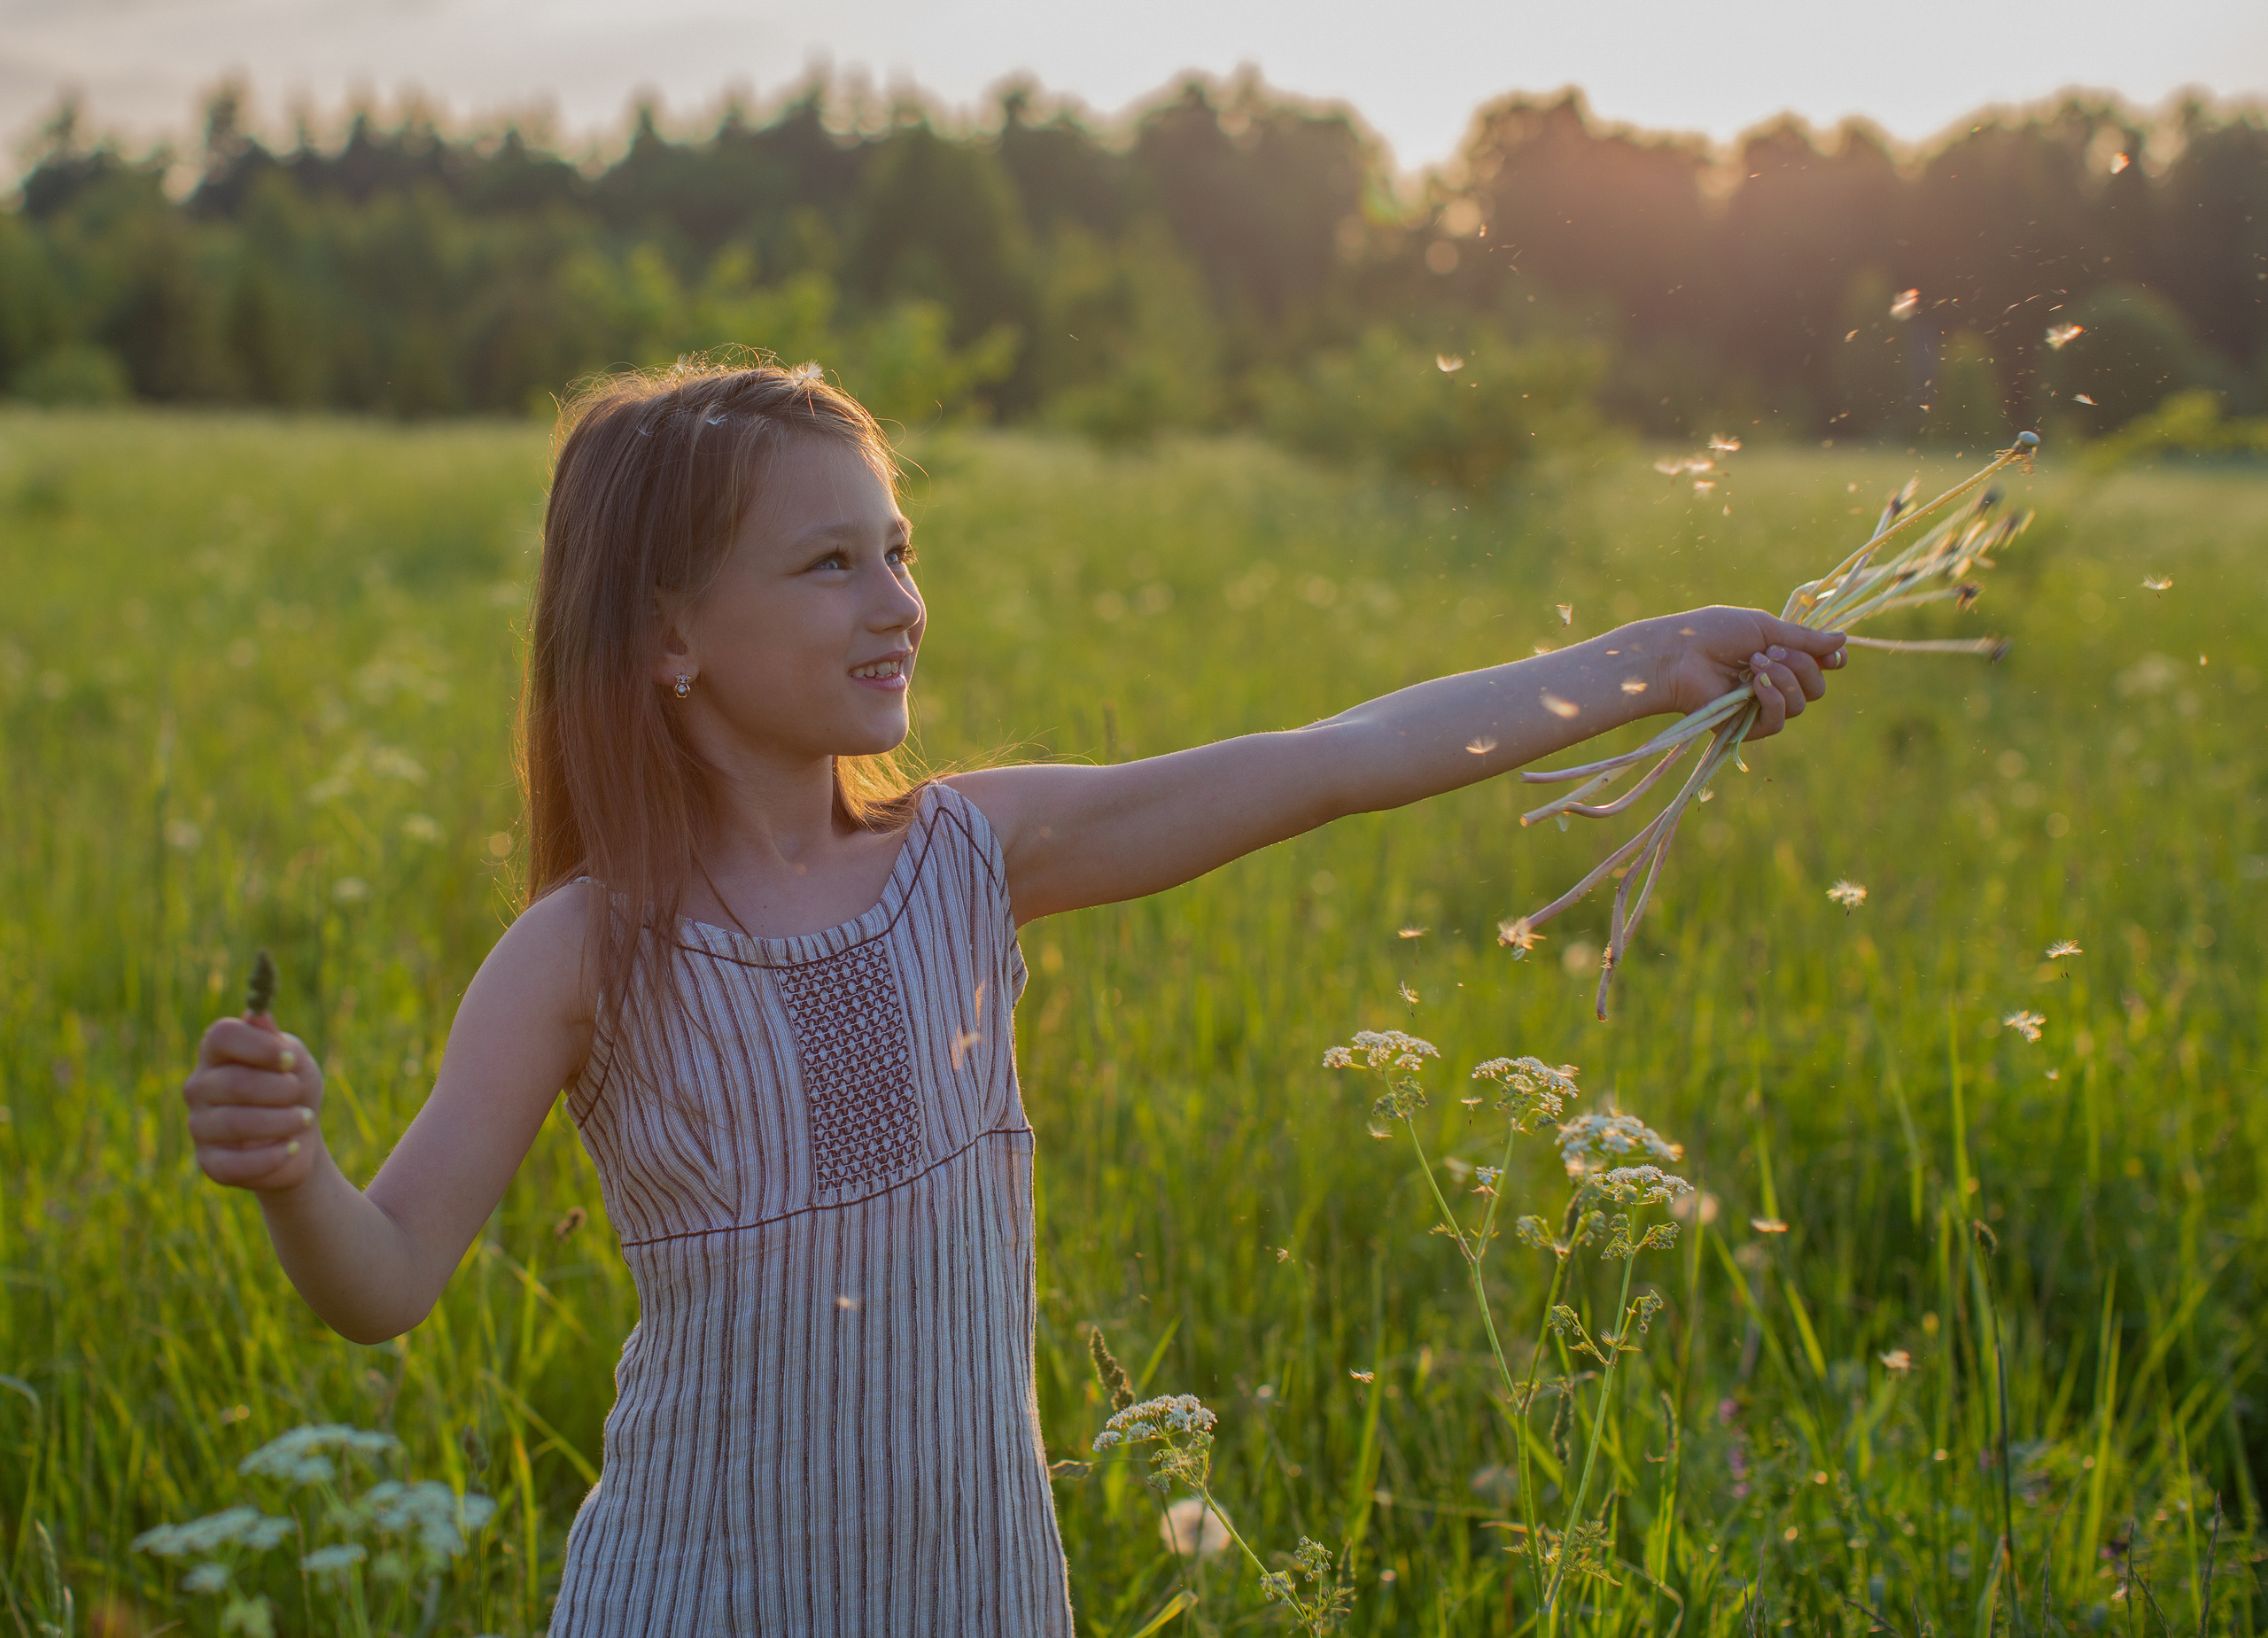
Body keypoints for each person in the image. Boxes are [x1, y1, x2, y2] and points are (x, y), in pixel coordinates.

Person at [179, 360, 1845, 1634]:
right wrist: (291, 1171)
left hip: (976, 1589)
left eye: (896, 548)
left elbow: (1341, 759)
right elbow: (384, 1279)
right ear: (667, 633)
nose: (898, 600)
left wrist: (1659, 661)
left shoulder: (974, 851)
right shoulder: (583, 950)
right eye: (828, 563)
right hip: (694, 1597)